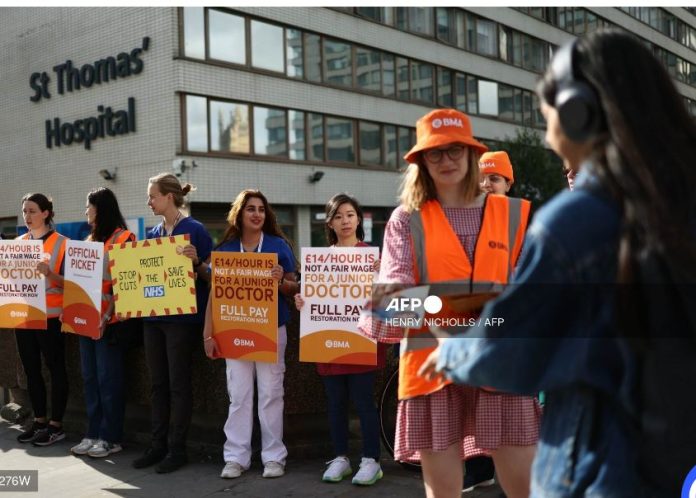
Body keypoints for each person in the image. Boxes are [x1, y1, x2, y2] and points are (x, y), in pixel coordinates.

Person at [419, 30, 696, 497]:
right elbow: (385, 304)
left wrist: (450, 344)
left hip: (598, 464)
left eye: (547, 117)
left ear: (576, 113)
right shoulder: (406, 222)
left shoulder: (567, 221)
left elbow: (513, 348)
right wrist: (421, 308)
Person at [360, 108, 539, 498]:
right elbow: (387, 306)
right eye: (436, 152)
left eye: (455, 150)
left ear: (473, 154)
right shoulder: (405, 219)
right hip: (433, 369)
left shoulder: (514, 215)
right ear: (421, 160)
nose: (447, 160)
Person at [203, 189, 298, 480]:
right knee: (239, 396)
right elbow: (215, 297)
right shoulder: (226, 250)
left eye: (261, 209)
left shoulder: (278, 245)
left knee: (271, 394)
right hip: (234, 331)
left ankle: (273, 458)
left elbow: (294, 288)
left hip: (271, 329)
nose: (257, 213)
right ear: (240, 214)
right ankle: (235, 457)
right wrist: (209, 334)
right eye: (250, 209)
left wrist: (280, 280)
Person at [294, 193, 386, 485]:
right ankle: (340, 458)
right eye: (338, 216)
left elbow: (388, 298)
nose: (344, 221)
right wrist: (301, 300)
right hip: (329, 342)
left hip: (361, 341)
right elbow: (312, 297)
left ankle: (371, 459)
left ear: (358, 219)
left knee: (363, 402)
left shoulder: (373, 257)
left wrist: (380, 277)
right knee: (334, 402)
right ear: (330, 223)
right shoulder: (320, 260)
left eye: (349, 215)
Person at [132, 173, 212, 473]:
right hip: (153, 319)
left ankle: (177, 449)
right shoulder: (152, 234)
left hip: (182, 320)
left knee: (178, 384)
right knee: (157, 384)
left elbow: (211, 277)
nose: (149, 201)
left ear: (169, 196)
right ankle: (158, 445)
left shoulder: (195, 230)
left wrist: (197, 262)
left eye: (152, 195)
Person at [462, 149, 520, 495]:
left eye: (494, 178)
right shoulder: (467, 220)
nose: (486, 184)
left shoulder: (519, 219)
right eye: (482, 178)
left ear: (508, 183)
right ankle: (478, 468)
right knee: (472, 399)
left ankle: (503, 469)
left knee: (504, 400)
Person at [70, 187, 135, 458]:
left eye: (89, 206)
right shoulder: (89, 240)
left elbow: (127, 285)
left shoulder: (125, 238)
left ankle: (111, 437)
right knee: (90, 379)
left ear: (101, 208)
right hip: (87, 321)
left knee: (109, 380)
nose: (86, 211)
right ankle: (93, 433)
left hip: (111, 323)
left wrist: (106, 316)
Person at [14, 193, 69, 446]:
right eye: (25, 211)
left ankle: (56, 425)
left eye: (32, 211)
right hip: (24, 315)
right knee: (31, 370)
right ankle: (39, 421)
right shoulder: (17, 244)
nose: (27, 216)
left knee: (56, 369)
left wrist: (51, 274)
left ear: (46, 213)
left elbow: (75, 285)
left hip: (52, 317)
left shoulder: (63, 243)